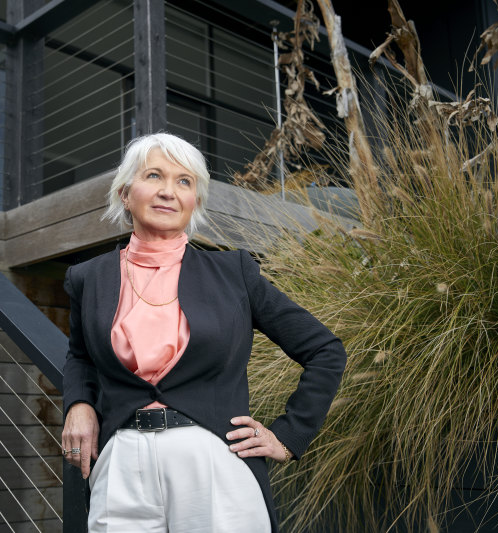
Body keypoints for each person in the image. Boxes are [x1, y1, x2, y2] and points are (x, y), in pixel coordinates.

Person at [61, 132, 347, 532]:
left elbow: (325, 350)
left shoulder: (234, 273)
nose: (168, 191)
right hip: (120, 464)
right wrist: (78, 404)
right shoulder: (88, 278)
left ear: (195, 200)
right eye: (154, 176)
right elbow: (80, 356)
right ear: (125, 194)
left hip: (213, 462)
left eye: (184, 181)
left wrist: (289, 435)